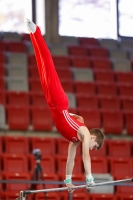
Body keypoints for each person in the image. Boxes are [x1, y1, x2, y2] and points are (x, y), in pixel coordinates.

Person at [25, 19, 105, 193]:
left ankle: (32, 35)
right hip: (59, 102)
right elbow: (85, 156)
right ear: (93, 139)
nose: (91, 149)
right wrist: (90, 178)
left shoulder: (74, 140)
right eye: (93, 146)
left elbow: (71, 160)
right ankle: (36, 31)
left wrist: (68, 181)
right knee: (48, 64)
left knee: (41, 67)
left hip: (53, 105)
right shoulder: (83, 132)